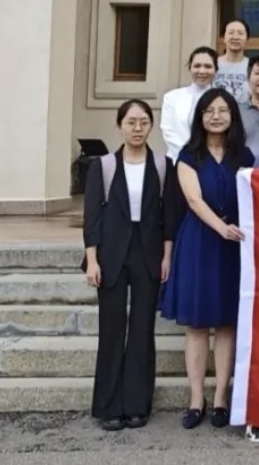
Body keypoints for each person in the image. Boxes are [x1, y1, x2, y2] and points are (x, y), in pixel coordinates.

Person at [160, 88, 253, 431]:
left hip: (233, 245)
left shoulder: (243, 155)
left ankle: (221, 399)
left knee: (227, 323)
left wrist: (233, 231)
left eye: (223, 110)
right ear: (200, 117)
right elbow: (194, 201)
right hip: (200, 242)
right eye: (209, 110)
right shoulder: (188, 155)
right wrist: (221, 228)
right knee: (197, 325)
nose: (216, 116)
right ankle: (196, 400)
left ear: (233, 116)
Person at [82, 99, 176, 431]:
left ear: (151, 126)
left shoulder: (163, 165)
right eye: (131, 122)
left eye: (143, 122)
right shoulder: (103, 166)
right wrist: (92, 260)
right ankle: (109, 407)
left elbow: (169, 216)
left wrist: (166, 256)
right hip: (110, 254)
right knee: (111, 328)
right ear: (119, 126)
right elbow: (92, 217)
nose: (137, 128)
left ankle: (137, 405)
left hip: (148, 253)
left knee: (141, 329)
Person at [159, 46, 217, 162]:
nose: (202, 71)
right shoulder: (171, 97)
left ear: (216, 69)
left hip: (212, 161)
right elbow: (168, 130)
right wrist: (188, 156)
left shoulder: (222, 99)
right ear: (190, 68)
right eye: (197, 66)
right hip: (177, 160)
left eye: (208, 66)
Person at [212, 18, 251, 104]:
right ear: (224, 38)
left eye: (240, 33)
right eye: (231, 33)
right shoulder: (213, 64)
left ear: (247, 39)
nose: (235, 37)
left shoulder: (252, 66)